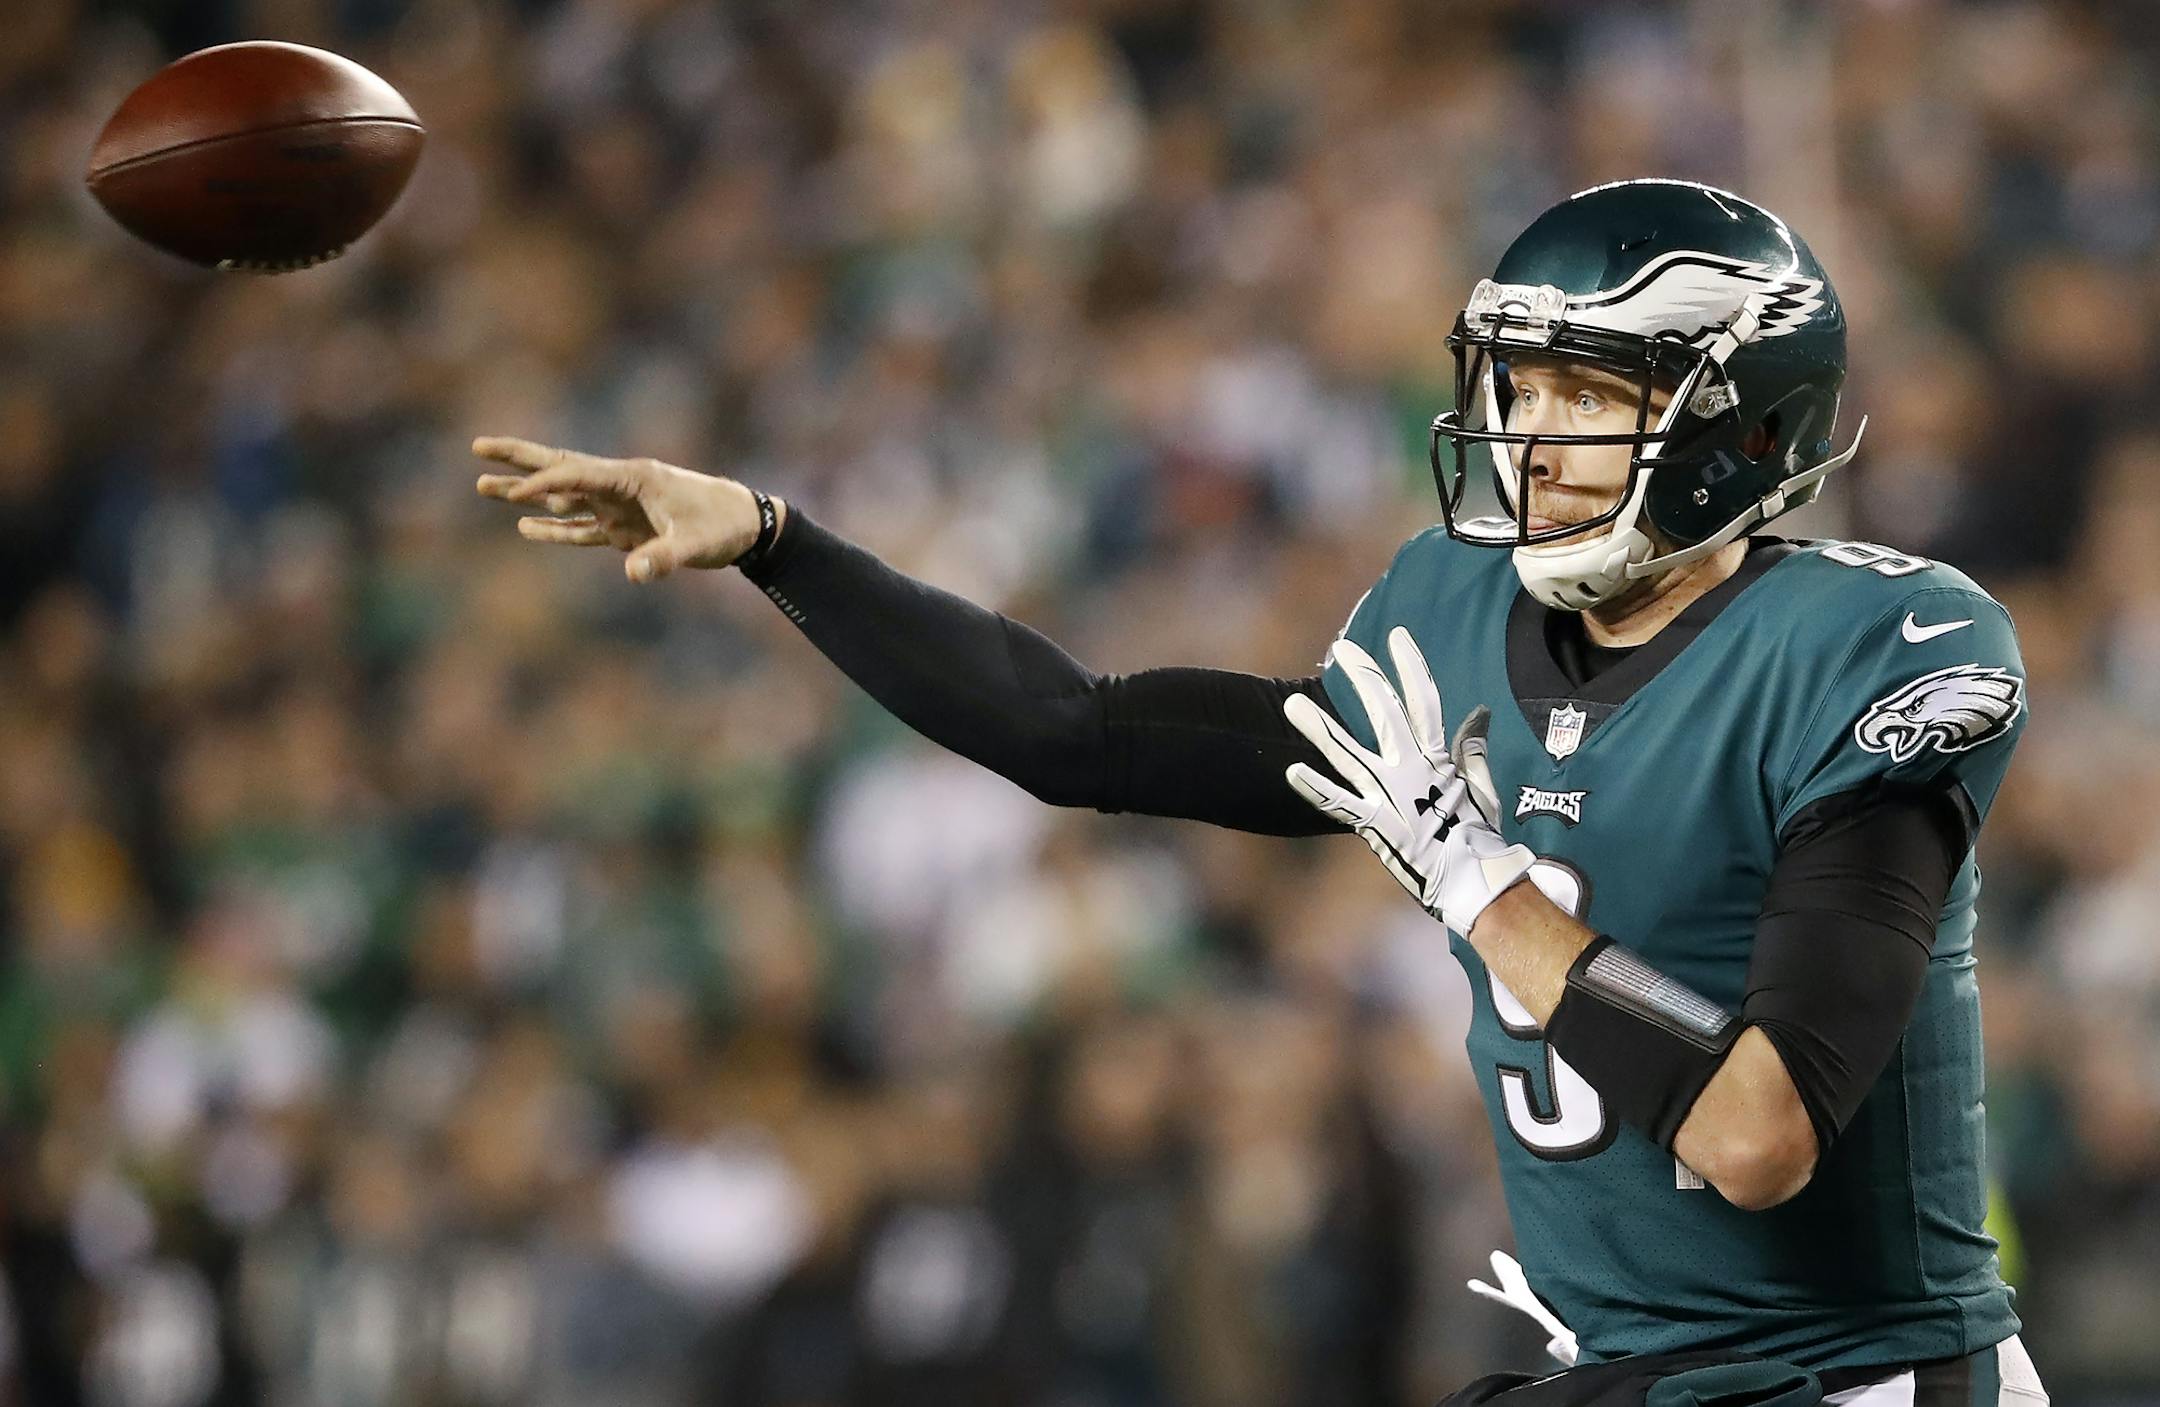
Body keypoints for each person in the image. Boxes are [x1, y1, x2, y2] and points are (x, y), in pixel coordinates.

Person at [473, 180, 2042, 1405]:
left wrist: (1475, 883)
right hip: (1625, 1374)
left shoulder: (1866, 648)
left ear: (1734, 427)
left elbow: (1761, 1135)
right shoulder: (1453, 620)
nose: (1531, 437)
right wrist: (774, 540)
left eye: (1589, 394)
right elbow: (1075, 735)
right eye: (1522, 387)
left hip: (1862, 1380)